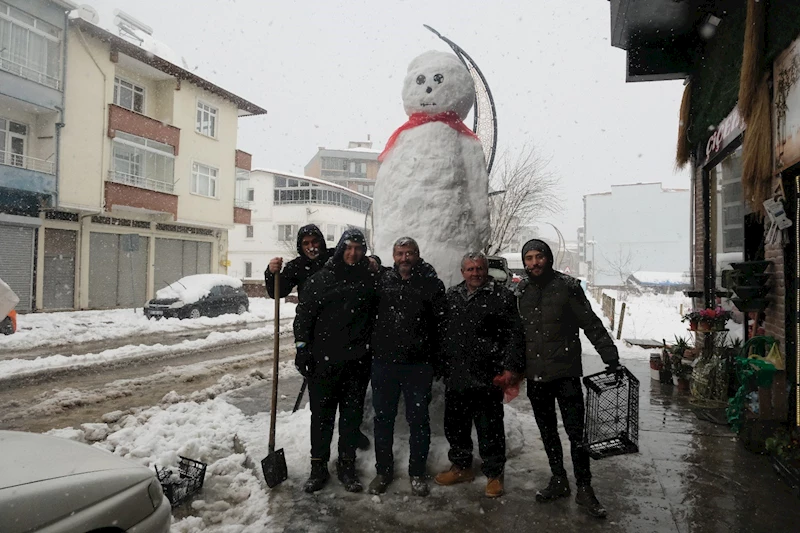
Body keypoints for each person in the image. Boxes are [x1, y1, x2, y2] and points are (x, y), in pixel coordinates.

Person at [516, 238, 622, 518]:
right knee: (547, 430)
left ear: (548, 258)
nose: (534, 262)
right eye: (529, 258)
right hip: (536, 376)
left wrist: (609, 354)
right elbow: (516, 335)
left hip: (565, 374)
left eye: (539, 256)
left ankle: (585, 488)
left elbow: (591, 324)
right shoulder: (522, 291)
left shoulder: (568, 287)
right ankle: (559, 479)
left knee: (576, 433)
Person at [266, 224, 370, 451]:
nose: (312, 247)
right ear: (300, 247)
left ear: (323, 242)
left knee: (350, 402)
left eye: (315, 242)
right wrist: (271, 272)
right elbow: (278, 291)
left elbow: (358, 258)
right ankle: (320, 454)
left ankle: (351, 436)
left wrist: (376, 261)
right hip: (315, 334)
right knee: (322, 402)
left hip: (346, 335)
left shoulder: (335, 256)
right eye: (306, 243)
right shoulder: (298, 266)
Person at [434, 252, 525, 498]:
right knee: (456, 427)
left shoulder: (502, 297)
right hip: (457, 375)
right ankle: (462, 466)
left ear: (486, 270)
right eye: (470, 269)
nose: (475, 273)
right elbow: (442, 332)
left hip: (488, 376)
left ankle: (494, 474)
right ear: (462, 272)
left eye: (479, 269)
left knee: (490, 429)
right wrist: (441, 364)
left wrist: (511, 368)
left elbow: (515, 336)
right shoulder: (451, 296)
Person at [293, 229, 377, 493]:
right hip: (323, 363)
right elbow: (303, 317)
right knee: (322, 418)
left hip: (357, 363)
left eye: (358, 248)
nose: (353, 253)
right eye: (349, 247)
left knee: (350, 419)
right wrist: (302, 348)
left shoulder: (369, 279)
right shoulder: (321, 280)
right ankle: (318, 468)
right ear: (340, 249)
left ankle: (346, 467)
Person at [367, 237, 446, 497]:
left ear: (417, 254)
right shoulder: (382, 281)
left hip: (418, 365)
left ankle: (417, 473)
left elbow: (441, 325)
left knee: (419, 421)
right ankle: (383, 471)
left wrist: (436, 359)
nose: (404, 258)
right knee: (383, 420)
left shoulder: (430, 283)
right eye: (400, 253)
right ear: (393, 255)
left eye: (409, 253)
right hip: (385, 364)